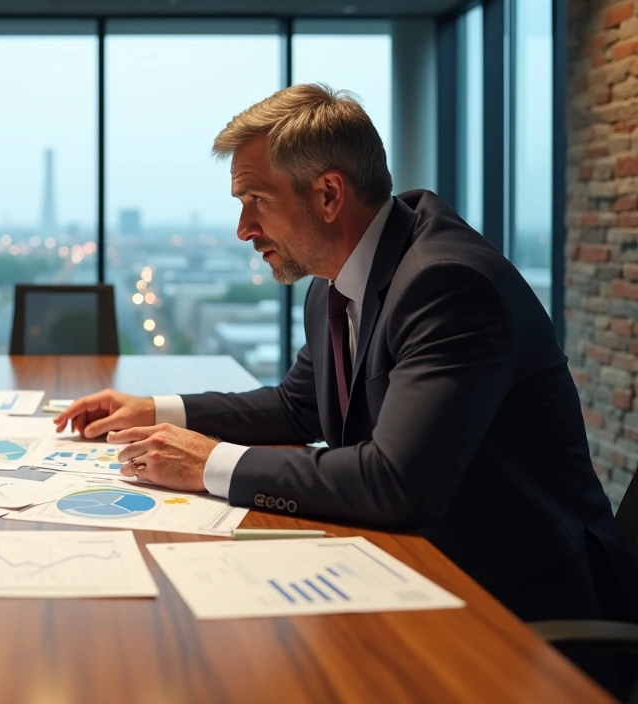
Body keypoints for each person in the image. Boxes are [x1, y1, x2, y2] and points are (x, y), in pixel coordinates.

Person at [55, 84, 636, 628]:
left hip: (521, 606)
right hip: (419, 568)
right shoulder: (335, 280)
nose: (242, 228)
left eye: (256, 199)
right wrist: (159, 410)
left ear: (329, 194)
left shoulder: (448, 285)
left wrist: (209, 463)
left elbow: (395, 481)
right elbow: (297, 407)